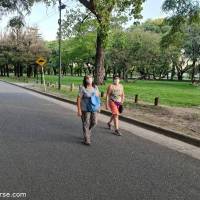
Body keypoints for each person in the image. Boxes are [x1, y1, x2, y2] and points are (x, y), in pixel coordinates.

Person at [77, 75, 100, 145]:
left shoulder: (95, 87)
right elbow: (78, 99)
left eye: (90, 78)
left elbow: (98, 98)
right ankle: (87, 139)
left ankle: (87, 131)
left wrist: (99, 107)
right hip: (85, 108)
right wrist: (79, 110)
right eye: (88, 79)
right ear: (85, 80)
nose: (89, 80)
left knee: (94, 122)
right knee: (86, 123)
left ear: (92, 79)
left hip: (94, 108)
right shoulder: (82, 88)